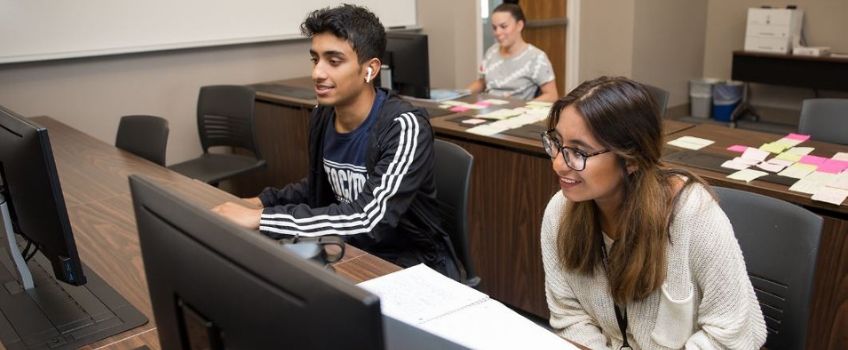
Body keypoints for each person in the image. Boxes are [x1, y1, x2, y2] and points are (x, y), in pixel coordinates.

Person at [211, 4, 461, 280]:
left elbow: (369, 219)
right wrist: (260, 202)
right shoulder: (323, 115)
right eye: (315, 59)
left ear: (370, 69)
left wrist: (262, 219)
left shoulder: (403, 125)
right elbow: (320, 185)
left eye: (334, 60)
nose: (318, 73)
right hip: (351, 251)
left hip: (408, 265)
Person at [540, 76, 766, 349]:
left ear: (632, 159)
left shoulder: (694, 215)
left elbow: (729, 337)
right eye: (556, 143)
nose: (558, 164)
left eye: (578, 152)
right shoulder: (560, 212)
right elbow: (569, 315)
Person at [467, 0, 558, 102]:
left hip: (517, 113)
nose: (498, 32)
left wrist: (522, 107)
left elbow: (551, 95)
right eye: (494, 28)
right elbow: (482, 82)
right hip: (488, 109)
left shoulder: (537, 57)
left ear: (519, 25)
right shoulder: (491, 52)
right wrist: (460, 94)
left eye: (503, 26)